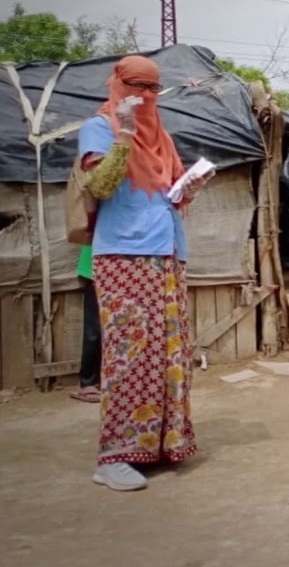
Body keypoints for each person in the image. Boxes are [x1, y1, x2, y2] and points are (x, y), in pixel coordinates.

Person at [77, 55, 212, 491]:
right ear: (117, 83)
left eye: (153, 88)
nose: (145, 96)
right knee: (128, 356)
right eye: (136, 86)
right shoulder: (99, 128)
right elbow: (100, 186)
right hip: (123, 256)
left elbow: (171, 191)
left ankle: (161, 443)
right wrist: (126, 130)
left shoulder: (163, 136)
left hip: (167, 252)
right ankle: (113, 455)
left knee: (169, 354)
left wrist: (187, 186)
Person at [69, 244, 102, 404]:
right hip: (96, 266)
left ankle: (99, 382)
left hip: (114, 266)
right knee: (94, 330)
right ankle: (88, 383)